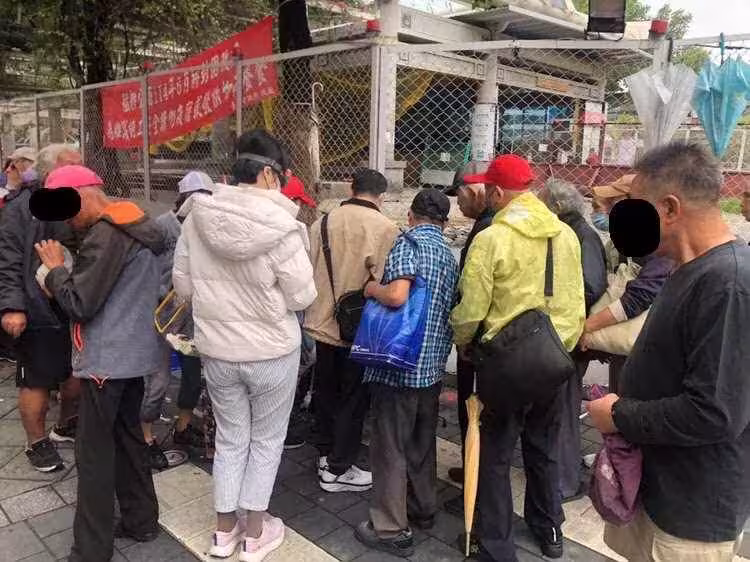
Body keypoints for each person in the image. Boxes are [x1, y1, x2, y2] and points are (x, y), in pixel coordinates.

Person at [587, 142, 750, 562]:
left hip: (690, 512)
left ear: (671, 209)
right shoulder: (689, 268)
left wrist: (619, 414)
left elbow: (715, 412)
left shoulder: (728, 284)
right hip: (661, 493)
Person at [173, 129, 317, 561]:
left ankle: (223, 533)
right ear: (271, 175)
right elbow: (302, 297)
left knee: (231, 438)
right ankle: (255, 534)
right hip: (272, 352)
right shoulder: (284, 228)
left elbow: (183, 288)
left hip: (218, 351)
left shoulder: (196, 218)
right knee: (266, 441)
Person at [451, 154, 585, 561]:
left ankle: (497, 546)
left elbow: (472, 308)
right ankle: (550, 532)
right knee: (543, 447)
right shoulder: (566, 235)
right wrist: (561, 347)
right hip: (554, 361)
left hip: (505, 365)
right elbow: (576, 302)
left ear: (496, 192)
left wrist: (463, 340)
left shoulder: (492, 238)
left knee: (494, 454)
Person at [33, 165, 164, 562]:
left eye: (67, 208)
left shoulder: (106, 234)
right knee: (128, 439)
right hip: (136, 354)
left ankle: (91, 549)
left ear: (86, 194)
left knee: (92, 454)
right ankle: (142, 521)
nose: (66, 220)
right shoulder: (137, 221)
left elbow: (79, 303)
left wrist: (55, 271)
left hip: (105, 361)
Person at [354, 189, 458, 558]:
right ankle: (423, 507)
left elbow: (397, 295)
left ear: (411, 215)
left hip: (397, 366)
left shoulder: (408, 243)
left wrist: (371, 288)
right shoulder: (448, 254)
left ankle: (390, 528)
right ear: (444, 222)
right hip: (430, 368)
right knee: (421, 442)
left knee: (389, 447)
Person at [304, 168, 399, 492]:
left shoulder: (322, 223)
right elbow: (384, 279)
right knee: (353, 398)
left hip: (322, 324)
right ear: (381, 196)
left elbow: (309, 268)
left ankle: (324, 453)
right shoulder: (385, 228)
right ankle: (338, 469)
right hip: (359, 327)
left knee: (325, 391)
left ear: (351, 188)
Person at [0, 145, 81, 473]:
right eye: (70, 165)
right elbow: (8, 261)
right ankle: (36, 441)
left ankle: (65, 425)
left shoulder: (80, 202)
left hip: (74, 305)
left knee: (75, 376)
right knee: (36, 381)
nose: (79, 171)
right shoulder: (21, 208)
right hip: (36, 310)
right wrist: (12, 307)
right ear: (50, 172)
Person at [538, 179, 607, 502]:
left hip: (571, 336)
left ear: (556, 207)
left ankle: (564, 482)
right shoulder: (569, 231)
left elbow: (591, 286)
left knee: (564, 409)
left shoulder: (581, 235)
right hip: (563, 335)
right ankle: (559, 474)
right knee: (557, 407)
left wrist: (561, 307)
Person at [141, 170, 216, 469]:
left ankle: (183, 428)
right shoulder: (163, 226)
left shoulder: (211, 226)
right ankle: (145, 438)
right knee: (157, 379)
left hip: (194, 317)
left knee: (192, 376)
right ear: (182, 199)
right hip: (162, 314)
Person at [582, 176, 674, 394]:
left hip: (647, 345)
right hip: (627, 340)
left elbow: (639, 297)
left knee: (630, 399)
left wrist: (587, 327)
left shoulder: (660, 243)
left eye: (613, 203)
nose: (606, 210)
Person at [443, 182, 495, 515]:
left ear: (478, 194)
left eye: (461, 200)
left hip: (477, 342)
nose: (458, 208)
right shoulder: (486, 224)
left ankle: (476, 481)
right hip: (486, 341)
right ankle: (472, 469)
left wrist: (463, 338)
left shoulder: (486, 232)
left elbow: (474, 297)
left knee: (474, 411)